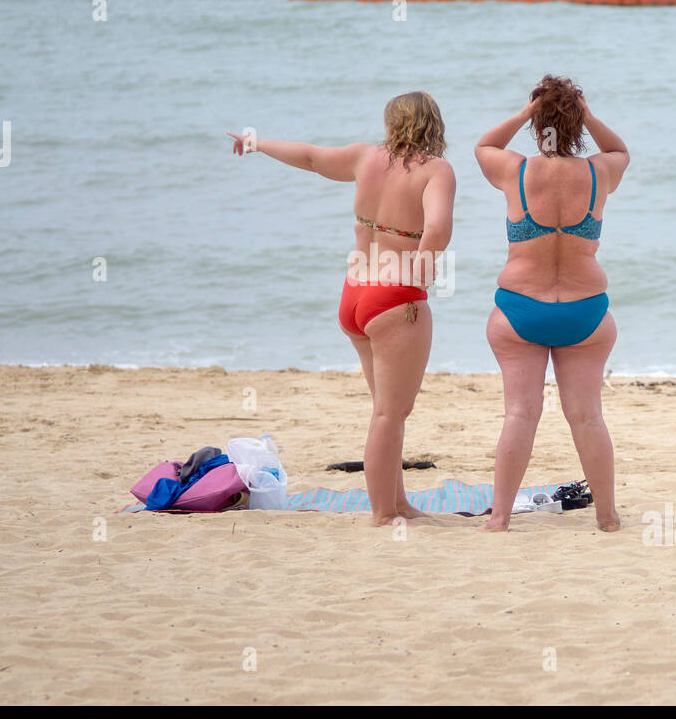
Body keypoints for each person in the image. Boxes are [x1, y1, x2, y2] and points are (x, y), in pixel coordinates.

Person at [227, 92, 456, 526]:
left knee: (385, 411)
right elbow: (439, 228)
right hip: (393, 297)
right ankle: (383, 514)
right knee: (390, 413)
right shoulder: (437, 170)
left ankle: (399, 502)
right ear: (433, 124)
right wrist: (424, 270)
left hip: (354, 295)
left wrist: (257, 143)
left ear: (392, 123)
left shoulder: (363, 157)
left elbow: (311, 157)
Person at [473, 75, 630, 532]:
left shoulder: (515, 171)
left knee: (520, 414)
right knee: (587, 417)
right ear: (578, 124)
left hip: (521, 309)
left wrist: (526, 112)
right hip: (586, 313)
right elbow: (621, 151)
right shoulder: (600, 172)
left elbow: (483, 146)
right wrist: (590, 116)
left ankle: (499, 518)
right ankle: (607, 515)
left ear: (537, 121)